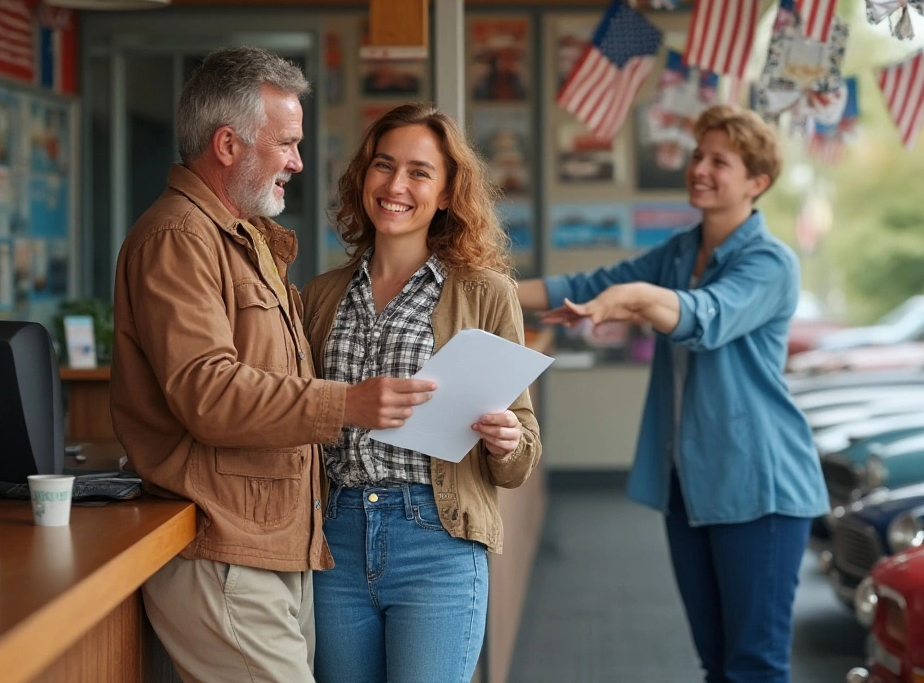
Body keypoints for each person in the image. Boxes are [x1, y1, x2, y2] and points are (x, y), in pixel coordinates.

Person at [110, 47, 437, 683]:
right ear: (228, 144)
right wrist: (346, 404)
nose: (297, 161)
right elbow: (206, 391)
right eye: (286, 143)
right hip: (225, 550)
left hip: (268, 546)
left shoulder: (243, 235)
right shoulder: (178, 237)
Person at [517, 104, 827, 683]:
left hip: (760, 487)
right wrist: (489, 290)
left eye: (720, 161)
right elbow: (587, 286)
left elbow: (704, 318)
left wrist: (636, 296)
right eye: (696, 155)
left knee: (753, 666)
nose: (699, 168)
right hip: (689, 482)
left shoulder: (770, 262)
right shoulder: (681, 252)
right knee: (715, 663)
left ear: (757, 183)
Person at [301, 103, 541, 683]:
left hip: (437, 541)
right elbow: (299, 416)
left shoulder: (486, 293)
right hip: (335, 540)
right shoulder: (318, 296)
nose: (396, 185)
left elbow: (522, 453)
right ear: (363, 177)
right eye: (384, 166)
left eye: (419, 172)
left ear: (447, 193)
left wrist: (507, 441)